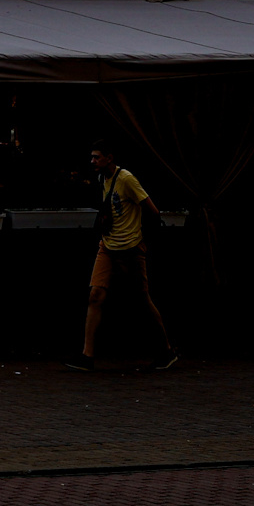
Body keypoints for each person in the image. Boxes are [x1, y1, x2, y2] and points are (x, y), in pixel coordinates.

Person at [65, 140, 176, 372]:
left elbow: (152, 210)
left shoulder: (126, 179)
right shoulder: (102, 179)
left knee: (143, 301)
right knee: (96, 294)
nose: (92, 161)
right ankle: (87, 355)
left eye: (97, 157)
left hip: (131, 247)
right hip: (108, 245)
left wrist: (140, 236)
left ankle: (166, 351)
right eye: (92, 157)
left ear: (109, 158)